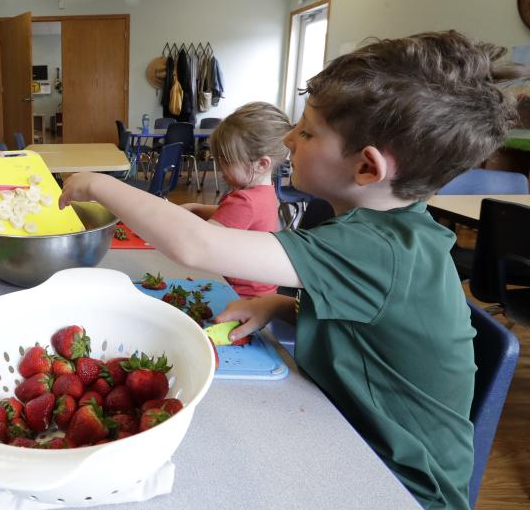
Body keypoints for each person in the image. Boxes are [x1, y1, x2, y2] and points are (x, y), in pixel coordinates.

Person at [60, 30, 520, 509]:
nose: (287, 138)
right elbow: (371, 333)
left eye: (306, 131)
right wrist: (279, 304)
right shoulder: (396, 232)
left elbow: (196, 245)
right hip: (351, 440)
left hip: (399, 486)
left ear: (367, 168)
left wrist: (99, 185)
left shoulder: (377, 248)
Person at [179, 102, 291, 297]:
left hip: (239, 295)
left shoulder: (245, 201)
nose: (221, 168)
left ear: (262, 164)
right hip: (262, 291)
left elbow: (201, 240)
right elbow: (229, 216)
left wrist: (169, 220)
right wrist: (196, 208)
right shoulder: (263, 192)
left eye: (227, 161)